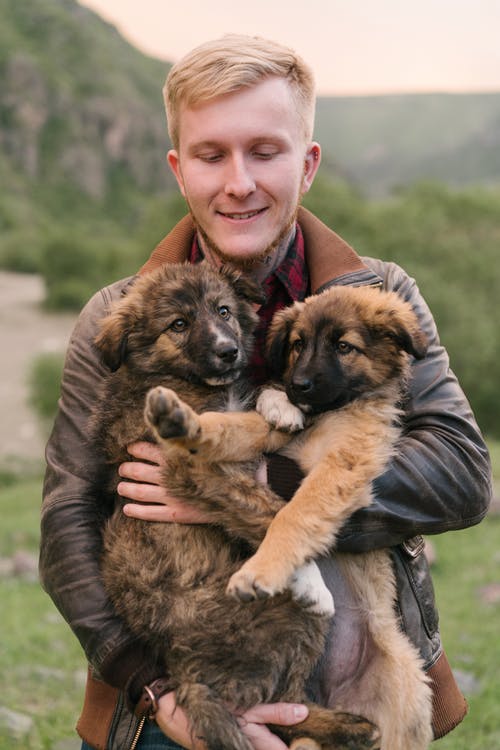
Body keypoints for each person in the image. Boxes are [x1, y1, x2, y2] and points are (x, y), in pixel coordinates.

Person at [39, 34, 492, 750]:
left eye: (265, 151)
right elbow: (67, 523)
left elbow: (462, 474)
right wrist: (157, 692)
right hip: (184, 683)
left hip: (360, 672)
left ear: (307, 164)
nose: (238, 182)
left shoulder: (379, 295)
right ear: (178, 167)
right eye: (211, 154)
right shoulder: (116, 317)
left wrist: (264, 482)